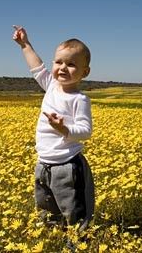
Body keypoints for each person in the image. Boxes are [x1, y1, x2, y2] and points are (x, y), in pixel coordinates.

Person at [12, 25, 95, 233]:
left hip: (67, 166)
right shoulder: (50, 85)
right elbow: (36, 67)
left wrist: (63, 128)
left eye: (71, 64)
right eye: (59, 62)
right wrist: (25, 45)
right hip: (43, 164)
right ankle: (51, 239)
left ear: (84, 72)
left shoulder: (80, 99)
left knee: (74, 211)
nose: (63, 68)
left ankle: (77, 244)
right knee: (46, 209)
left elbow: (86, 131)